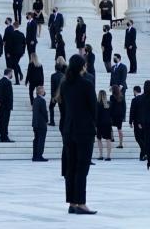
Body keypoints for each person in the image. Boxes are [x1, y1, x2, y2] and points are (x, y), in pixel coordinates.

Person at [58, 54, 98, 214]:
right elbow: (93, 108)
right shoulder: (87, 84)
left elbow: (64, 108)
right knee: (82, 167)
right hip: (84, 131)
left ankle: (72, 202)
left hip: (69, 130)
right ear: (82, 66)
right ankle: (81, 203)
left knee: (71, 167)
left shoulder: (65, 84)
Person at [0, 68, 15, 143]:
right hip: (5, 106)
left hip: (0, 106)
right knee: (5, 122)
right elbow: (6, 95)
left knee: (1, 121)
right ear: (9, 73)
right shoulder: (7, 82)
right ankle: (4, 137)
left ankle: (2, 136)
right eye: (11, 73)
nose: (12, 75)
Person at [95, 89, 114, 161]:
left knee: (99, 139)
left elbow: (96, 115)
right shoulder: (109, 103)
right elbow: (112, 114)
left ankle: (101, 155)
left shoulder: (97, 104)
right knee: (108, 139)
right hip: (108, 123)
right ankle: (108, 156)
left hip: (99, 123)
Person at [32, 85, 49, 161]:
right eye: (43, 90)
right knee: (41, 140)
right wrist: (47, 119)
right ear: (41, 92)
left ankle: (35, 155)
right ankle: (39, 156)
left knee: (36, 139)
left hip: (35, 123)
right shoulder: (42, 100)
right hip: (41, 123)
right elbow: (44, 112)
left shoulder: (35, 100)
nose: (44, 91)